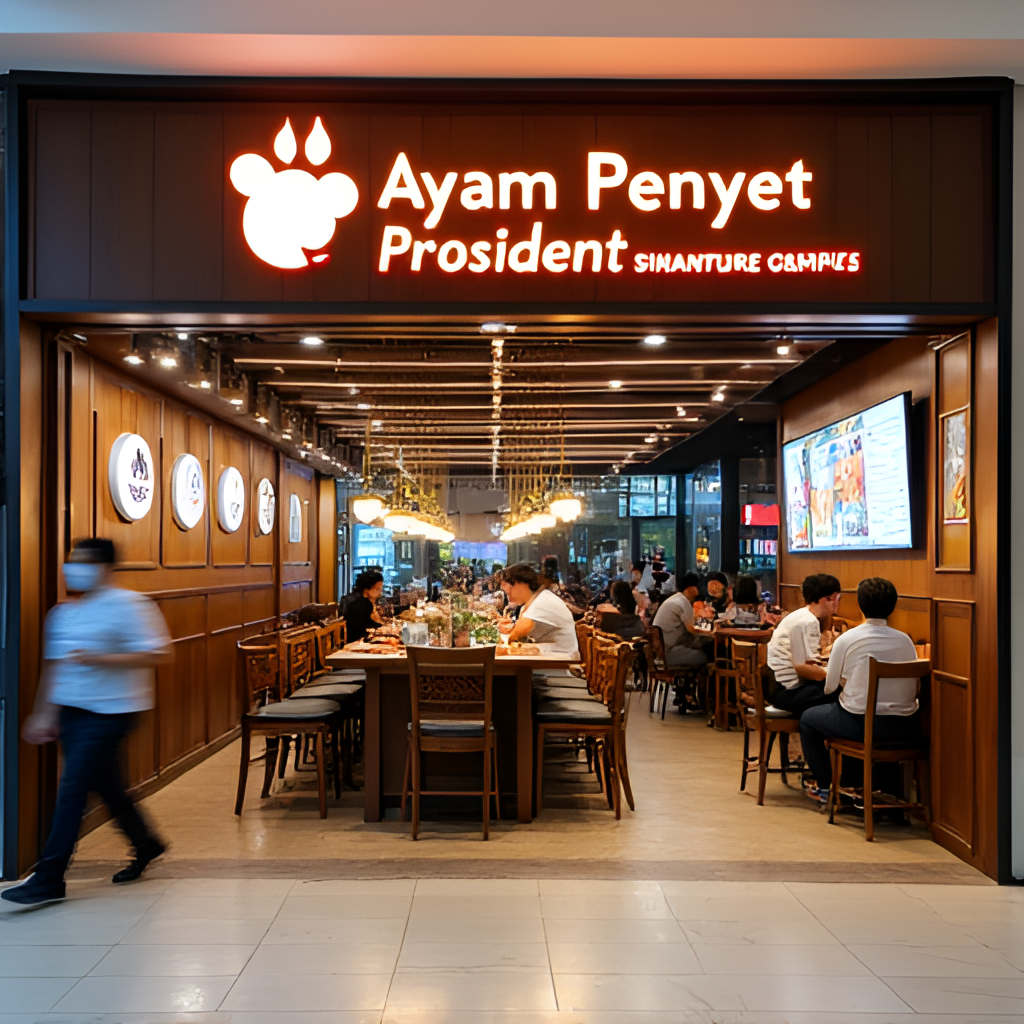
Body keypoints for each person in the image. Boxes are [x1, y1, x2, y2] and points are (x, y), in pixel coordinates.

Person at [2, 539, 173, 908]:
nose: (75, 568)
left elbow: (160, 652)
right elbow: (54, 668)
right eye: (72, 560)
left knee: (73, 787)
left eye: (85, 561)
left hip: (113, 711)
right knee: (108, 786)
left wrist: (103, 658)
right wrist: (43, 713)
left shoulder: (130, 605)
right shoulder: (62, 614)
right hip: (72, 712)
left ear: (106, 567)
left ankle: (49, 877)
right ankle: (145, 843)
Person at [800, 577, 920, 805]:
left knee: (809, 719)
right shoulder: (905, 641)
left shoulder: (848, 639)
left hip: (860, 725)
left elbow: (829, 686)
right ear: (892, 606)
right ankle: (859, 784)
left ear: (861, 605)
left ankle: (825, 786)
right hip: (904, 726)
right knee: (848, 711)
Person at [765, 573, 842, 716]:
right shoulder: (808, 621)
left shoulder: (800, 616)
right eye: (838, 598)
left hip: (775, 687)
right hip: (787, 692)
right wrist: (834, 675)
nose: (837, 603)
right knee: (840, 690)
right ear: (829, 598)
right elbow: (803, 668)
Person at [498, 563, 579, 656]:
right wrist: (509, 630)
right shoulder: (533, 601)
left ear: (521, 584)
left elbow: (518, 632)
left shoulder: (543, 600)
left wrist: (507, 636)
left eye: (507, 586)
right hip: (550, 656)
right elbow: (521, 634)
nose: (505, 591)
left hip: (562, 660)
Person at [653, 571, 712, 668]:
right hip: (670, 653)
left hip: (662, 652)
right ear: (691, 588)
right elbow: (692, 630)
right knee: (704, 656)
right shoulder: (683, 602)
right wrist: (710, 634)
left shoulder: (677, 599)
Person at [342, 570, 384, 643]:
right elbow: (366, 622)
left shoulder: (359, 599)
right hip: (357, 642)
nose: (380, 593)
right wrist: (382, 626)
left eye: (380, 589)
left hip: (357, 640)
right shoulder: (362, 603)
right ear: (366, 590)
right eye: (377, 589)